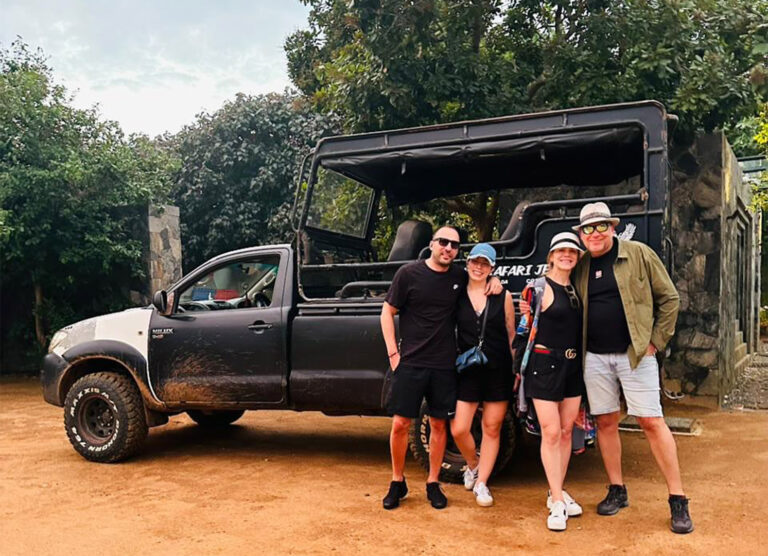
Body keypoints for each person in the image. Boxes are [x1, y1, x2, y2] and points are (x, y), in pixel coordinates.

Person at [571, 202, 693, 534]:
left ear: (612, 227)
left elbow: (669, 298)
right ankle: (617, 489)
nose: (594, 234)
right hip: (594, 357)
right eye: (587, 228)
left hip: (635, 355)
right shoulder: (580, 266)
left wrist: (655, 341)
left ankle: (678, 498)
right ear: (581, 235)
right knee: (607, 422)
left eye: (600, 227)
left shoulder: (638, 253)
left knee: (651, 422)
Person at [380, 227, 502, 510]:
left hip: (444, 365)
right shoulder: (408, 274)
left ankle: (433, 482)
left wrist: (494, 280)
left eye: (455, 245)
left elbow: (480, 278)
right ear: (432, 244)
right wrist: (393, 354)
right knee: (400, 424)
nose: (448, 248)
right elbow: (387, 311)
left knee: (438, 424)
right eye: (443, 242)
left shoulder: (459, 276)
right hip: (410, 362)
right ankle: (397, 481)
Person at [517, 231, 585, 531]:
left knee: (568, 430)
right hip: (544, 365)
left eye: (572, 252)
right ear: (551, 256)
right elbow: (524, 330)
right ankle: (557, 501)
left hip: (572, 366)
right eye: (561, 251)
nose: (567, 255)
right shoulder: (537, 289)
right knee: (551, 431)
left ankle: (556, 490)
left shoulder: (578, 288)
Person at [450, 243, 516, 507]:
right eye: (475, 262)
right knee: (459, 428)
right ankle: (474, 465)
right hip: (468, 370)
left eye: (485, 264)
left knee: (492, 427)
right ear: (467, 263)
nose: (479, 267)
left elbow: (511, 334)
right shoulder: (456, 295)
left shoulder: (503, 295)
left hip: (498, 368)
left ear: (492, 268)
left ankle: (482, 483)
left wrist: (516, 370)